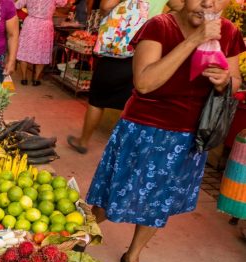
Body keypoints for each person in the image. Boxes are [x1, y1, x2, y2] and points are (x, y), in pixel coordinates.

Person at [85, 0, 244, 262]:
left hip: (188, 136)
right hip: (145, 130)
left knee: (158, 204)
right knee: (115, 195)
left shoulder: (229, 32)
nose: (208, 3)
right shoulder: (160, 26)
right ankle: (79, 234)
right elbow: (144, 83)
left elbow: (234, 82)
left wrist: (224, 83)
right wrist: (196, 39)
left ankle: (133, 254)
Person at [67, 0, 180, 154]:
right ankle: (123, 149)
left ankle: (83, 141)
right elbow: (179, 6)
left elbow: (106, 5)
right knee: (131, 102)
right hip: (146, 52)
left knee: (97, 99)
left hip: (117, 51)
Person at [15, 0, 69, 86]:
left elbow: (17, 5)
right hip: (45, 25)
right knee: (41, 52)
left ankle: (24, 78)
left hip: (30, 23)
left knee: (24, 50)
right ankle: (36, 79)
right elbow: (63, 3)